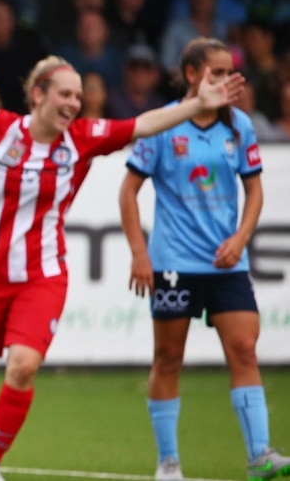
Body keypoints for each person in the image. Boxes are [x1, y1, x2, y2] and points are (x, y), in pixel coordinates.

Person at [0, 39, 243, 481]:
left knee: (23, 366)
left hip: (43, 275)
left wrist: (195, 105)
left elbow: (144, 123)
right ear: (39, 95)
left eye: (78, 96)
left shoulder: (84, 139)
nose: (75, 103)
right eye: (65, 94)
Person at [119, 37, 290, 481]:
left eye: (230, 72)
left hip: (225, 263)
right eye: (216, 72)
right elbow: (128, 191)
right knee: (169, 358)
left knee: (244, 348)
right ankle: (168, 461)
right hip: (174, 262)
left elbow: (254, 188)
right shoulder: (162, 126)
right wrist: (140, 251)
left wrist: (241, 237)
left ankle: (259, 456)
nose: (226, 80)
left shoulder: (240, 127)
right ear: (192, 74)